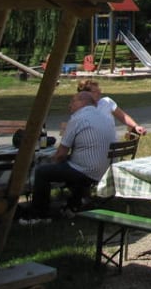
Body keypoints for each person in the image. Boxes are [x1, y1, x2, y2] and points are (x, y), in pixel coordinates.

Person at [22, 91, 115, 222]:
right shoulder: (105, 117)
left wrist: (48, 163)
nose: (69, 105)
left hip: (86, 172)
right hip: (103, 170)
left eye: (73, 101)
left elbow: (60, 154)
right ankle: (74, 204)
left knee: (42, 172)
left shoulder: (78, 118)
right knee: (70, 165)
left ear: (83, 102)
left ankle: (39, 214)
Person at [77, 78, 147, 137]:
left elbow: (123, 116)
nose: (99, 93)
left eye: (99, 90)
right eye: (95, 91)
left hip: (110, 146)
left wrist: (136, 126)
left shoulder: (106, 102)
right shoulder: (80, 109)